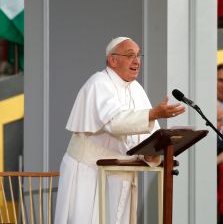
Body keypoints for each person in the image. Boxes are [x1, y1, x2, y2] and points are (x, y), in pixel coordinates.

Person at [54, 37, 185, 224]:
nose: (137, 61)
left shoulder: (136, 89)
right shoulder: (98, 83)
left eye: (139, 56)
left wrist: (151, 152)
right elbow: (114, 122)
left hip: (119, 172)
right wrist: (154, 113)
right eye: (130, 55)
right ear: (112, 60)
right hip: (89, 173)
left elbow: (150, 134)